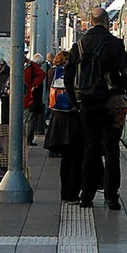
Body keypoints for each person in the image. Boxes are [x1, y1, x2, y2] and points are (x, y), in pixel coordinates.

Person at [64, 7, 127, 210]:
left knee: (90, 149)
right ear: (106, 21)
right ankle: (111, 197)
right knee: (111, 149)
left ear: (91, 21)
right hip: (113, 105)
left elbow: (69, 78)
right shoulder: (115, 44)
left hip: (87, 106)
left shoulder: (78, 46)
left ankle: (86, 196)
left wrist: (76, 101)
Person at [44, 51, 84, 203]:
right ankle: (73, 194)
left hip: (59, 120)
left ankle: (64, 193)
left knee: (66, 160)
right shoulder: (78, 74)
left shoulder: (56, 72)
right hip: (75, 121)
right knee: (76, 159)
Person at [24, 50, 46, 146]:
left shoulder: (29, 67)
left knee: (28, 119)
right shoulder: (32, 69)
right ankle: (28, 139)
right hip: (31, 100)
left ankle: (27, 139)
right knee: (31, 120)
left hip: (29, 99)